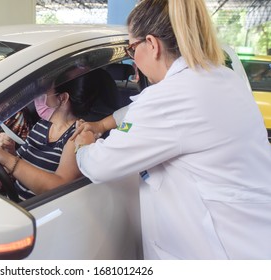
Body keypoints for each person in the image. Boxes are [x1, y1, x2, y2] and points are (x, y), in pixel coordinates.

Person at [72, 0, 271, 259]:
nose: (134, 63)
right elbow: (153, 114)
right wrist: (102, 124)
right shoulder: (220, 77)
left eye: (132, 49)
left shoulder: (170, 98)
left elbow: (99, 165)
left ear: (152, 44)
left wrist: (85, 142)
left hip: (219, 251)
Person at [0, 67, 103, 201]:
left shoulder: (79, 136)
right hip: (13, 203)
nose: (44, 94)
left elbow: (59, 186)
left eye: (49, 89)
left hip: (37, 213)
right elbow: (22, 167)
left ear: (63, 98)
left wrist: (6, 158)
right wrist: (9, 151)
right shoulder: (42, 125)